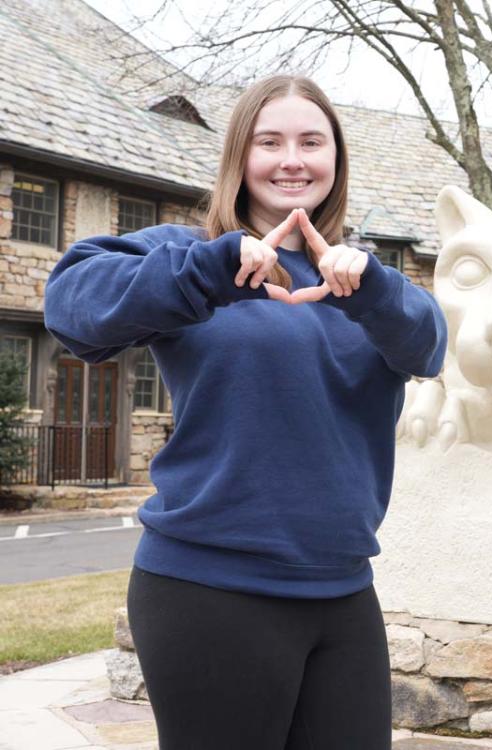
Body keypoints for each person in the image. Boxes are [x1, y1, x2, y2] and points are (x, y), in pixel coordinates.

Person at [44, 75, 447, 750]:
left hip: (342, 592)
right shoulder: (188, 256)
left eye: (311, 142)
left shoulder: (361, 277)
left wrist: (370, 288)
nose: (293, 158)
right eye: (271, 142)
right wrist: (212, 270)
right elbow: (72, 305)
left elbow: (428, 345)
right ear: (240, 158)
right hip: (210, 590)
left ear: (335, 161)